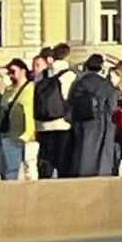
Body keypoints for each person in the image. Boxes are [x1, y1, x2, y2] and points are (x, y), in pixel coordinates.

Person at [65, 54, 121, 178]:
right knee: (100, 157)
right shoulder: (105, 85)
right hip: (101, 124)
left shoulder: (78, 83)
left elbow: (69, 106)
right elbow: (112, 107)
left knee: (82, 153)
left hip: (81, 124)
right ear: (101, 67)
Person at [33, 44, 75, 179]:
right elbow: (68, 98)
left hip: (42, 125)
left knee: (45, 161)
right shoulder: (68, 75)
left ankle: (43, 191)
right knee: (63, 162)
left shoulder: (42, 75)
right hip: (62, 124)